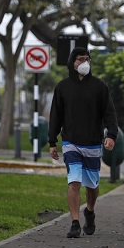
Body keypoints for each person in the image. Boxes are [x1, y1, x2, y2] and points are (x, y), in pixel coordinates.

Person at [49, 47, 118, 238]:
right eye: (80, 59)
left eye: (87, 59)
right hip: (71, 142)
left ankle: (89, 210)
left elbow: (109, 113)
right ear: (72, 62)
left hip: (93, 143)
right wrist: (52, 141)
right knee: (74, 181)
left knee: (92, 185)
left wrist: (111, 135)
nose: (84, 63)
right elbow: (56, 115)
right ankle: (74, 222)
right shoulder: (62, 88)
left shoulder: (99, 86)